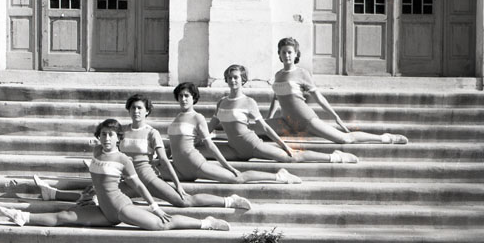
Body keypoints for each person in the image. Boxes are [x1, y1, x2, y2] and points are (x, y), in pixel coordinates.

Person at [0, 119, 230, 231]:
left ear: (118, 138)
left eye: (111, 135)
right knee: (64, 216)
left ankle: (205, 223)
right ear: (98, 136)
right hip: (104, 211)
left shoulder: (123, 159)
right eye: (103, 134)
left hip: (121, 208)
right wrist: (88, 194)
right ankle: (22, 216)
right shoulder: (96, 152)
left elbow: (139, 186)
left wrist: (155, 207)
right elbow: (98, 178)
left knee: (161, 225)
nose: (107, 138)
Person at [32, 94, 251, 210]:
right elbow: (110, 152)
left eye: (140, 108)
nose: (136, 111)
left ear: (147, 112)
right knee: (98, 197)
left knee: (184, 202)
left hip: (147, 178)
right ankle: (52, 193)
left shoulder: (152, 133)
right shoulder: (121, 131)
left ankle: (228, 201)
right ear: (128, 111)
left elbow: (164, 160)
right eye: (133, 108)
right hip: (128, 179)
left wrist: (177, 185)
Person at [266, 37, 409, 146]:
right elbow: (276, 98)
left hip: (306, 120)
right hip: (286, 121)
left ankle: (385, 138)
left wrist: (335, 116)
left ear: (296, 54)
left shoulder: (302, 73)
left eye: (290, 52)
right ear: (279, 54)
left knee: (345, 139)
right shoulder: (278, 75)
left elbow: (319, 98)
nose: (287, 55)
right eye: (283, 52)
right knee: (255, 130)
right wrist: (268, 120)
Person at [208, 64, 358, 163]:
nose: (232, 80)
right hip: (233, 149)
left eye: (236, 77)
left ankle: (334, 157)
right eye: (230, 78)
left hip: (253, 146)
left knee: (292, 157)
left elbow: (265, 128)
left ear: (243, 80)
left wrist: (284, 145)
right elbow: (211, 126)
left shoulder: (249, 102)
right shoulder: (221, 102)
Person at [165, 82, 302, 184]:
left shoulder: (197, 117)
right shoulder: (177, 118)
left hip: (197, 164)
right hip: (180, 168)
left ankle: (279, 176)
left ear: (193, 98)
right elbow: (174, 144)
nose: (183, 99)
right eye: (180, 96)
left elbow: (211, 146)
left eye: (187, 96)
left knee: (238, 178)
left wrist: (228, 166)